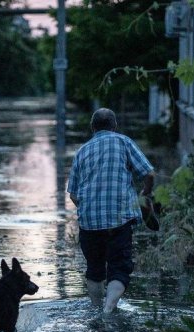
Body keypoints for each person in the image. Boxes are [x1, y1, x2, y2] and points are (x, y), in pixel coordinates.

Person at [67, 108, 156, 313]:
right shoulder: (123, 142)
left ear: (93, 128)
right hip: (119, 218)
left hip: (89, 222)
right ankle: (108, 309)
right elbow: (149, 174)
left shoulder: (82, 151)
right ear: (115, 126)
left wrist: (90, 209)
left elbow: (72, 195)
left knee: (95, 270)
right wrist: (145, 195)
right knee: (120, 267)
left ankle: (97, 310)